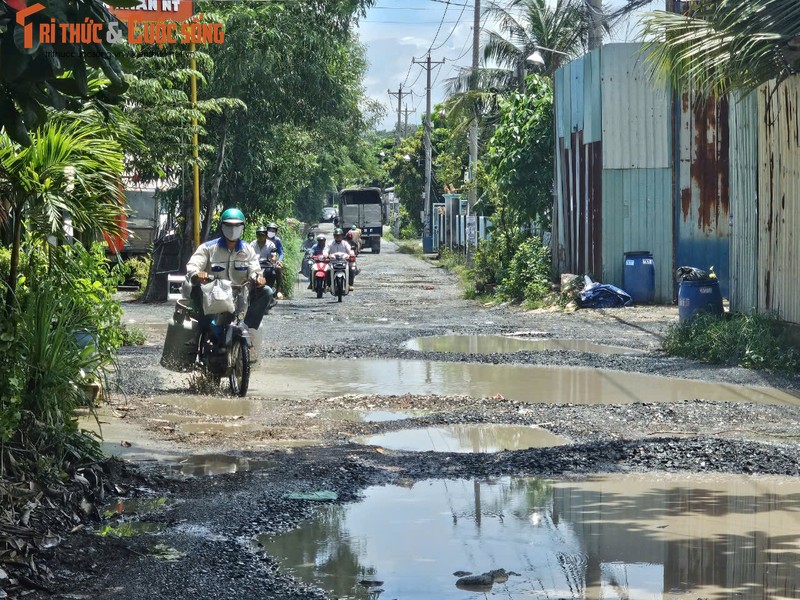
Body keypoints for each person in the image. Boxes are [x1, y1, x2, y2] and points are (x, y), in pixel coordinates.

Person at [185, 208, 273, 333]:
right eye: (228, 225)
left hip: (240, 296)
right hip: (213, 296)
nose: (233, 229)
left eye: (237, 225)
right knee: (198, 306)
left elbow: (255, 270)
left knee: (267, 291)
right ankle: (203, 336)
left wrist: (258, 278)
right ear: (222, 226)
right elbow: (193, 265)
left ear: (242, 227)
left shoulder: (248, 250)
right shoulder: (208, 248)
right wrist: (197, 274)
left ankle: (245, 326)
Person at [265, 222, 285, 299]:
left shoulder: (277, 240)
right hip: (262, 260)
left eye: (273, 231)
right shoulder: (263, 238)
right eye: (270, 230)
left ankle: (278, 290)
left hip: (273, 260)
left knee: (278, 269)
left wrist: (279, 260)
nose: (271, 232)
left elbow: (281, 253)